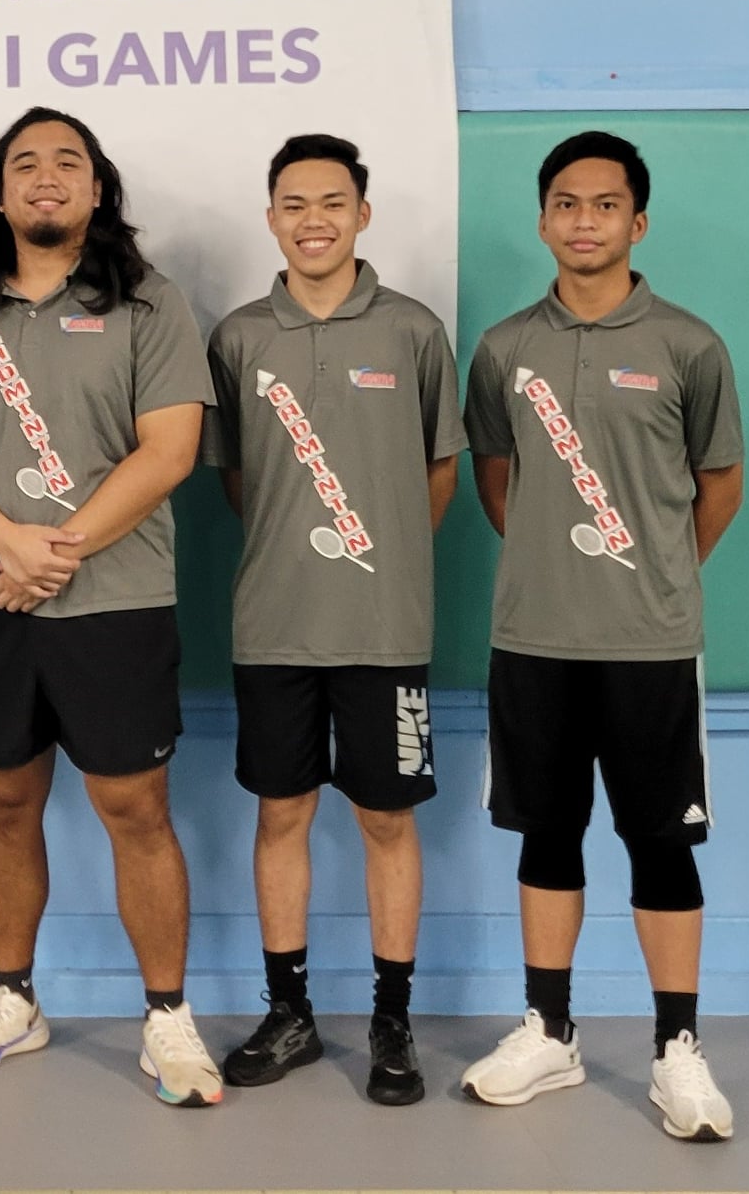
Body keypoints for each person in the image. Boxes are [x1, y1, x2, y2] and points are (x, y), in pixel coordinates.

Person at [0, 107, 222, 1108]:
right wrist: (9, 543)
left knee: (136, 809)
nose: (46, 175)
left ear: (96, 189)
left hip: (117, 603)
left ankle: (167, 1017)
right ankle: (11, 997)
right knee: (4, 804)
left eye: (67, 162)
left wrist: (54, 551)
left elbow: (169, 451)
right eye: (25, 163)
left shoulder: (148, 301)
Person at [460, 131, 745, 1141]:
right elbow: (497, 479)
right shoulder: (502, 349)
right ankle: (550, 1030)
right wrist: (557, 569)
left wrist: (649, 572)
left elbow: (718, 486)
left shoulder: (687, 345)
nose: (585, 221)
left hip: (649, 644)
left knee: (660, 841)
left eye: (606, 204)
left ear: (639, 221)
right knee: (547, 833)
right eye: (567, 204)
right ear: (543, 220)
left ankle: (677, 1048)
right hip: (533, 639)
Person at [203, 134, 464, 1106]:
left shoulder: (412, 331)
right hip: (273, 627)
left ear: (362, 213)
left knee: (386, 818)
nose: (313, 220)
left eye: (331, 202)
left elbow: (437, 470)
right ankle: (290, 1013)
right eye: (294, 204)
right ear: (270, 217)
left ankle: (392, 1022)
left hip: (384, 628)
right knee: (282, 812)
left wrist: (377, 556)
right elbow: (239, 480)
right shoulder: (238, 338)